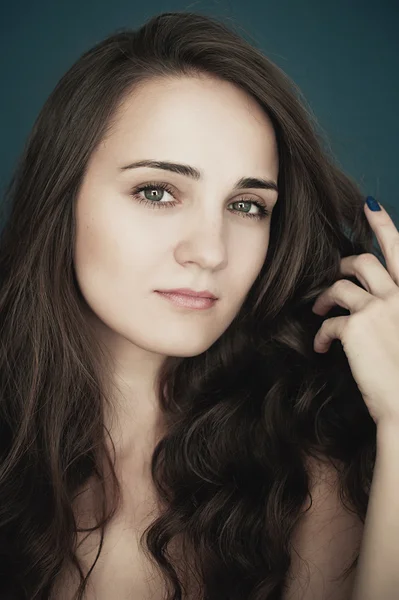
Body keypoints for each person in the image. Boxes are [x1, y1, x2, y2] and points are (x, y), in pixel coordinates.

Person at [0, 10, 395, 600]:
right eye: (157, 192)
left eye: (247, 205)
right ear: (63, 198)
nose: (210, 252)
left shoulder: (303, 467)